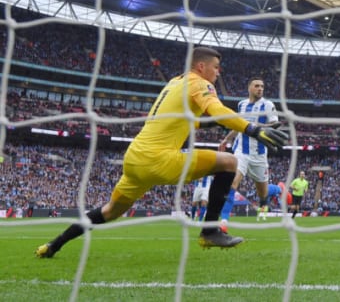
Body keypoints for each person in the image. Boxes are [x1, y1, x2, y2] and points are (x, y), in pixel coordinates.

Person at [35, 47, 288, 258]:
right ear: (201, 67)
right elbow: (217, 110)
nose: (218, 72)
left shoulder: (174, 83)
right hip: (158, 159)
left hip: (134, 158)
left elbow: (197, 121)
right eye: (216, 68)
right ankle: (210, 231)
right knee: (229, 162)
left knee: (109, 210)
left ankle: (53, 245)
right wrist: (252, 129)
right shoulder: (199, 83)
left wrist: (248, 125)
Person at [218, 77, 280, 228]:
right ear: (249, 88)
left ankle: (275, 191)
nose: (260, 88)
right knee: (232, 182)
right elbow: (239, 125)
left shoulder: (267, 104)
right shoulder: (242, 104)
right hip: (241, 151)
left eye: (262, 86)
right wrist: (226, 139)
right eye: (257, 86)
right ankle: (224, 221)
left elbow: (275, 125)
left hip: (259, 154)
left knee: (263, 194)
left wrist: (254, 125)